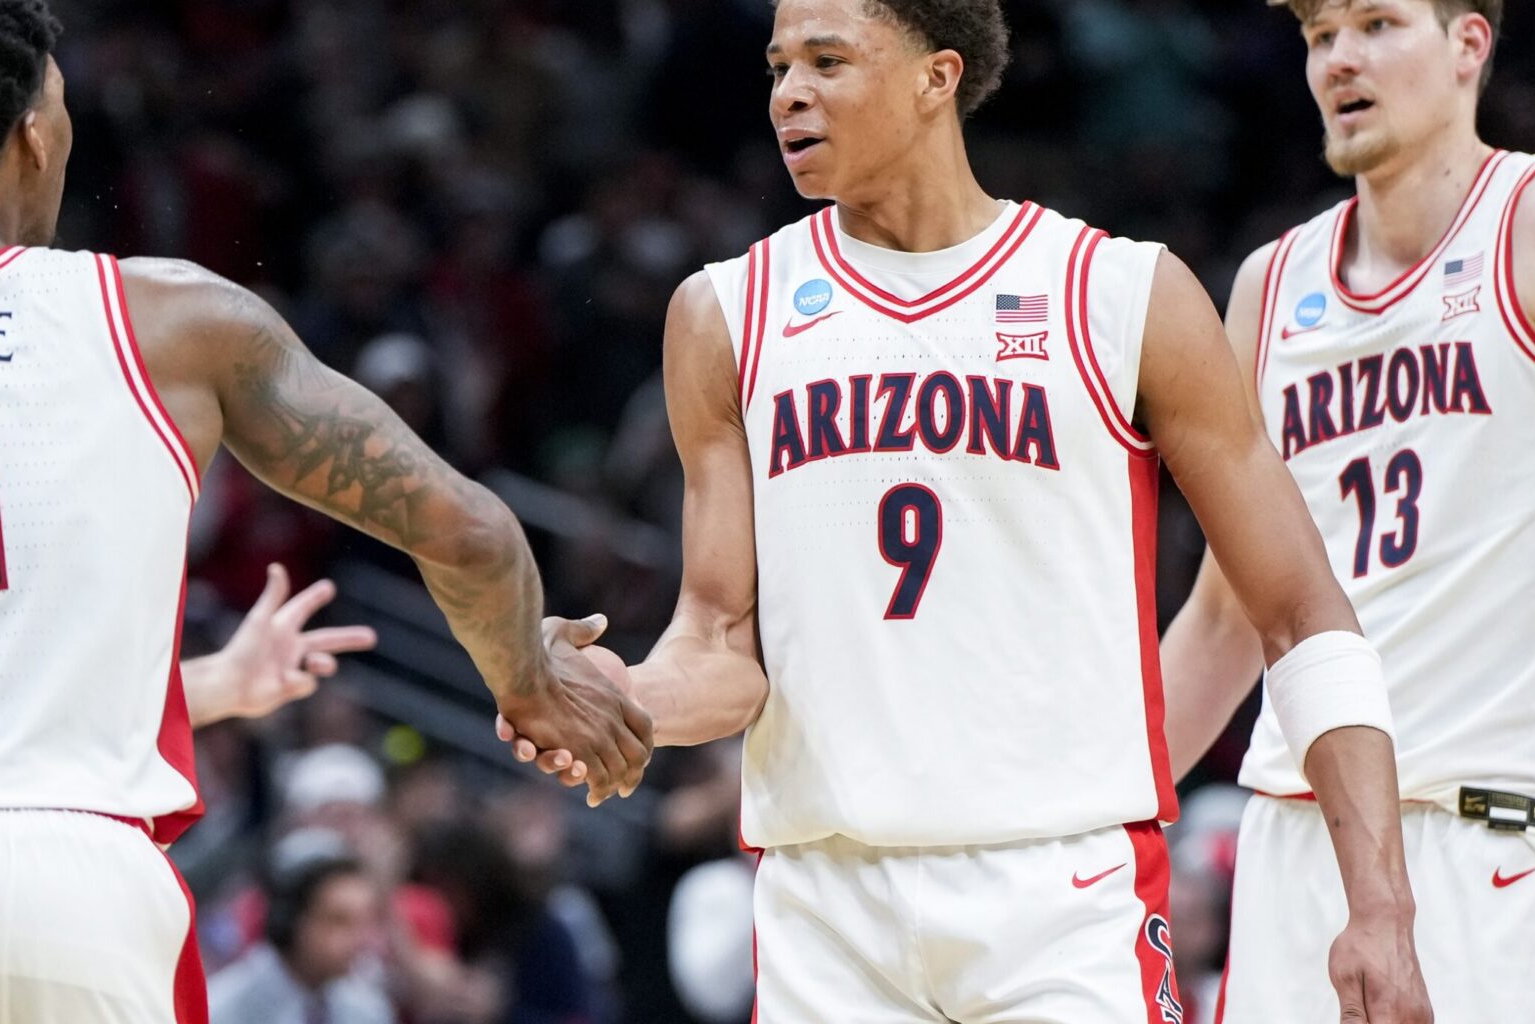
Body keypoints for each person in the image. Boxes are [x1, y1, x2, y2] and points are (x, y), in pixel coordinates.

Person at [504, 0, 1432, 1019]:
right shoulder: (726, 312)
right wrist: (619, 692)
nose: (788, 94)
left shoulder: (1118, 292)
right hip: (826, 907)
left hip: (1061, 896)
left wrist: (1380, 907)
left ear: (936, 78)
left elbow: (1302, 613)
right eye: (777, 67)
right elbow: (719, 643)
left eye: (827, 60)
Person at [0, 1, 652, 1020]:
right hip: (85, 892)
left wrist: (210, 689)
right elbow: (473, 533)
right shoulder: (174, 322)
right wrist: (532, 685)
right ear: (37, 134)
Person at [1157, 3, 1535, 1023]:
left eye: (1378, 23)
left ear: (1470, 44)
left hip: (1500, 838)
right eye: (1320, 35)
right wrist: (1074, 816)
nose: (1341, 58)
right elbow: (1223, 618)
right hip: (1296, 842)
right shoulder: (1267, 286)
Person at [207, 849, 394, 1024]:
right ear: (289, 920)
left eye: (367, 921)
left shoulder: (368, 1009)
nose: (362, 940)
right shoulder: (219, 1009)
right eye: (339, 921)